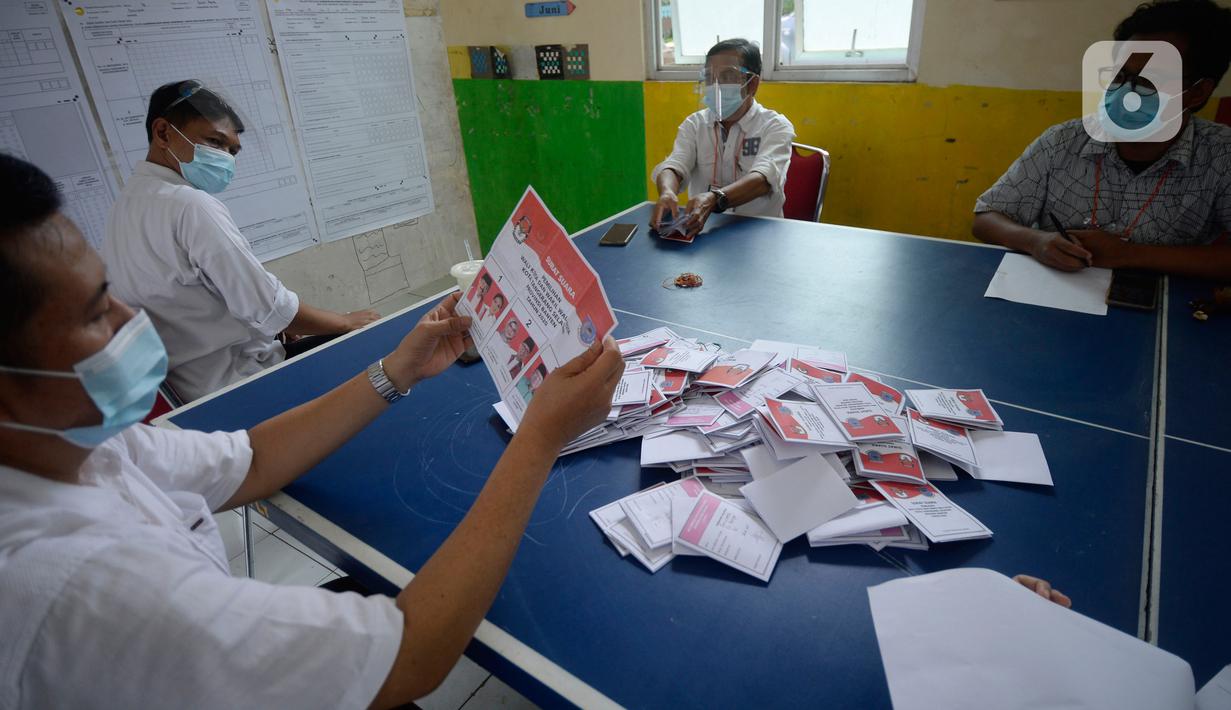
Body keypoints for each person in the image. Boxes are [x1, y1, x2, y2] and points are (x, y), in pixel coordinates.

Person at [0, 155, 624, 707]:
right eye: (94, 314)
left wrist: (397, 369)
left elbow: (252, 459)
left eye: (108, 292)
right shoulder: (79, 590)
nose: (129, 318)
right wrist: (540, 436)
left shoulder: (80, 447)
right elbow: (410, 656)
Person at [102, 80, 380, 402]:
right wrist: (345, 322)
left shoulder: (126, 204)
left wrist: (274, 325)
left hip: (187, 387)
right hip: (242, 381)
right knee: (377, 346)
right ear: (163, 132)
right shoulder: (190, 205)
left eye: (232, 151)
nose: (225, 158)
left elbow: (193, 293)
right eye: (214, 142)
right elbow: (269, 305)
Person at [972, 0, 1231, 280]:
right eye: (1119, 75)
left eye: (1148, 81)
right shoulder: (1063, 141)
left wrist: (1131, 255)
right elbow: (987, 218)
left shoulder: (1221, 155)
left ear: (1197, 93)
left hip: (1164, 302)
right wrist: (1035, 241)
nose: (1125, 92)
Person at [650, 39, 796, 239]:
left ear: (752, 84)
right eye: (710, 78)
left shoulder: (775, 126)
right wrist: (667, 191)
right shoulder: (695, 124)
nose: (716, 85)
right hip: (704, 233)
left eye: (728, 76)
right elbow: (675, 165)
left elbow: (763, 178)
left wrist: (714, 199)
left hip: (760, 235)